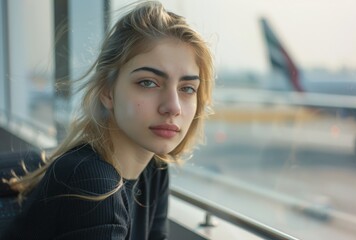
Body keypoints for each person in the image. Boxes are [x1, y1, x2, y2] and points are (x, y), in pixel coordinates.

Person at [1, 1, 214, 239]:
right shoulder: (94, 185)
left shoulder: (154, 168)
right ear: (107, 91)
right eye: (148, 83)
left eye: (187, 88)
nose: (173, 107)